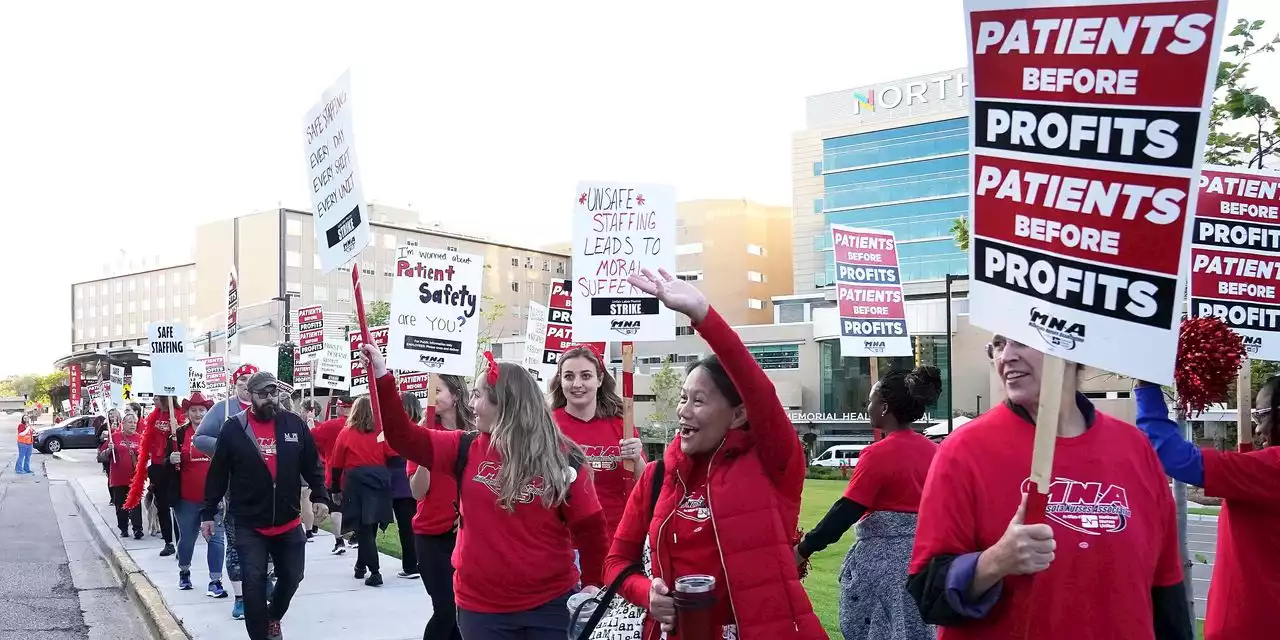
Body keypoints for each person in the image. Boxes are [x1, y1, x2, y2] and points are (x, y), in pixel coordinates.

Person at [907, 335, 1192, 639]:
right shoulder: (963, 451)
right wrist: (995, 561)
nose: (1006, 357)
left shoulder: (1135, 449)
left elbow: (1166, 592)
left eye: (1022, 340)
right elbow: (928, 593)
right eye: (999, 344)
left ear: (1073, 346)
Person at [603, 268, 825, 640]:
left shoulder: (773, 465)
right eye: (683, 398)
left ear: (738, 414)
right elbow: (615, 563)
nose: (683, 411)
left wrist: (703, 316)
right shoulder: (659, 477)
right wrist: (648, 595)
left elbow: (759, 392)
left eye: (699, 401)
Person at [367, 342, 609, 640]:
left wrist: (594, 584)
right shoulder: (465, 447)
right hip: (481, 610)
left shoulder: (563, 457)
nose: (471, 404)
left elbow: (591, 529)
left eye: (478, 395)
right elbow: (402, 437)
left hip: (551, 606)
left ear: (503, 403)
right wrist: (381, 375)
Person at [797, 366, 942, 640]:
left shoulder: (877, 455)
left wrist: (803, 550)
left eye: (871, 401)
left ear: (884, 407)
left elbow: (846, 511)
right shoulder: (937, 452)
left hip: (882, 568)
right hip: (924, 563)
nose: (868, 406)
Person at [1135, 376, 1280, 640]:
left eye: (1262, 415)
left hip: (1249, 627)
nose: (1258, 429)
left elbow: (1174, 456)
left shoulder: (1272, 468)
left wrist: (1146, 388)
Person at [201, 371, 332, 640]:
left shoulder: (294, 425)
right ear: (251, 396)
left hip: (288, 521)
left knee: (293, 576)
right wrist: (208, 513)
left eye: (273, 393)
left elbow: (312, 464)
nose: (270, 399)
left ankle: (274, 615)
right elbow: (218, 473)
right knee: (252, 584)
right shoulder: (234, 428)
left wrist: (320, 495)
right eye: (263, 394)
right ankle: (260, 634)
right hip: (250, 523)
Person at [550, 344, 644, 543]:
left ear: (600, 379)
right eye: (568, 376)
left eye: (586, 376)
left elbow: (644, 483)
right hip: (564, 543)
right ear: (560, 380)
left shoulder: (622, 425)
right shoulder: (546, 425)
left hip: (617, 539)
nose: (577, 384)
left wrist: (636, 458)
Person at [409, 375, 474, 640]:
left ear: (456, 395)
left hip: (469, 537)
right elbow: (417, 491)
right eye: (429, 391)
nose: (432, 397)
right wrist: (427, 452)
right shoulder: (423, 434)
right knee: (446, 610)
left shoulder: (475, 432)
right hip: (431, 536)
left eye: (438, 390)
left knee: (464, 613)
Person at [194, 364, 259, 619]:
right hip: (234, 488)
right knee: (236, 542)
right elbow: (199, 438)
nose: (246, 383)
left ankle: (264, 583)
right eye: (242, 379)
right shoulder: (224, 409)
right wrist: (228, 450)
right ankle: (241, 597)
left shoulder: (269, 408)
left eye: (251, 379)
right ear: (235, 383)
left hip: (269, 490)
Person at [328, 396, 398, 587]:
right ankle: (360, 566)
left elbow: (337, 463)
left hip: (356, 480)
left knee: (364, 527)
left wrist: (335, 488)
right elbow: (393, 456)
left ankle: (375, 571)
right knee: (370, 525)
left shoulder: (346, 433)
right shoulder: (380, 433)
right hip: (379, 479)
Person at [171, 392, 228, 597]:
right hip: (186, 499)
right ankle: (184, 571)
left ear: (208, 412)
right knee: (187, 539)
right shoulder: (177, 435)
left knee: (216, 539)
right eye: (193, 410)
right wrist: (171, 459)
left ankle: (215, 581)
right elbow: (160, 463)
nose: (197, 414)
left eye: (201, 410)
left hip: (213, 499)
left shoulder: (220, 434)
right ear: (187, 413)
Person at [124, 397, 183, 556]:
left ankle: (180, 543)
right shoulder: (153, 417)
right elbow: (145, 440)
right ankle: (168, 543)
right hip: (157, 466)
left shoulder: (179, 413)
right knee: (161, 506)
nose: (154, 399)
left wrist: (177, 428)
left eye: (157, 397)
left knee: (176, 507)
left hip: (174, 464)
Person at [311, 397, 353, 554]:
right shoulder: (362, 424)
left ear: (340, 408)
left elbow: (313, 437)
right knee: (355, 507)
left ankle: (339, 540)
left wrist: (310, 422)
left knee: (336, 509)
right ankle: (355, 536)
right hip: (355, 474)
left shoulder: (332, 425)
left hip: (334, 471)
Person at [391, 392, 422, 580]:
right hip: (416, 482)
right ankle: (417, 562)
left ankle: (411, 565)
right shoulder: (422, 427)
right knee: (417, 526)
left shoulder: (401, 430)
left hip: (402, 485)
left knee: (407, 527)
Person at [100, 411, 143, 539]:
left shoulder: (140, 438)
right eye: (130, 422)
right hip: (118, 478)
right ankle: (123, 528)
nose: (133, 425)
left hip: (134, 478)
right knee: (120, 505)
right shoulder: (115, 437)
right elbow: (101, 457)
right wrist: (109, 449)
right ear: (122, 424)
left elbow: (146, 456)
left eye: (135, 422)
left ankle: (137, 529)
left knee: (135, 504)